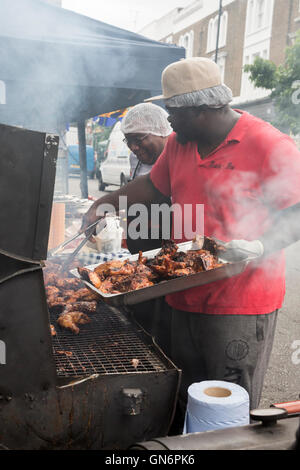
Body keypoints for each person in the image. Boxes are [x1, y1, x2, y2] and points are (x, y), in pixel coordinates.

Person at [82, 57, 300, 433]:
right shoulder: (181, 145)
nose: (168, 123)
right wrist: (104, 203)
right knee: (183, 395)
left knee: (225, 407)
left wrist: (261, 245)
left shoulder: (267, 143)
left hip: (239, 302)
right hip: (181, 294)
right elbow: (152, 187)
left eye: (173, 113)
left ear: (201, 110)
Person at [120, 103, 172, 255]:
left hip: (166, 249)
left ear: (161, 131)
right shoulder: (135, 158)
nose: (133, 147)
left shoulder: (179, 158)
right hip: (138, 249)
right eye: (128, 140)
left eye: (138, 139)